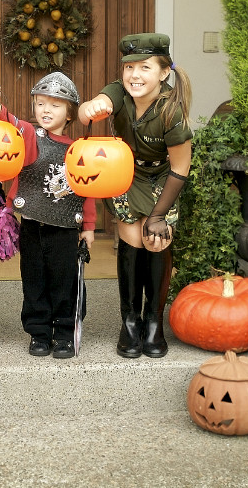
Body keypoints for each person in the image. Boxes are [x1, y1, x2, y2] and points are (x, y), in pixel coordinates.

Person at [78, 33, 193, 359]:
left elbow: (180, 168)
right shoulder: (119, 91)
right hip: (125, 173)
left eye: (145, 67)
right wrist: (93, 106)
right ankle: (130, 321)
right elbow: (88, 112)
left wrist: (157, 216)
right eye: (129, 67)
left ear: (163, 72)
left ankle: (153, 322)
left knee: (156, 239)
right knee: (132, 238)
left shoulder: (172, 112)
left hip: (163, 177)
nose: (135, 75)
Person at [0, 73, 96, 359]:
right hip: (32, 225)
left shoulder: (78, 149)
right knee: (34, 280)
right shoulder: (31, 137)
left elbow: (89, 189)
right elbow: (13, 127)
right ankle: (39, 332)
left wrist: (89, 227)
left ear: (70, 112)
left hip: (65, 228)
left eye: (56, 105)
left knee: (64, 281)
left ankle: (64, 333)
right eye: (41, 103)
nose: (46, 110)